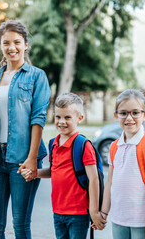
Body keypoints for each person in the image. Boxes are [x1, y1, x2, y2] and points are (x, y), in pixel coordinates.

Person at [0, 19, 51, 238]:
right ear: (1, 45)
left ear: (26, 44)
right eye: (6, 43)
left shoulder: (36, 76)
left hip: (23, 158)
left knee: (21, 225)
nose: (11, 47)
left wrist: (32, 158)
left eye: (17, 42)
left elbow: (38, 119)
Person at [21, 93, 106, 239]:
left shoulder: (83, 145)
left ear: (79, 118)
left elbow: (93, 180)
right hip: (58, 211)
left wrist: (94, 211)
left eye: (67, 117)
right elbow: (53, 171)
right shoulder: (53, 143)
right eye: (58, 117)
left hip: (78, 212)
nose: (62, 122)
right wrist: (35, 173)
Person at [100, 89, 145, 239]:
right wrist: (104, 212)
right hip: (118, 218)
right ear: (116, 115)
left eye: (135, 113)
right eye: (123, 113)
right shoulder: (114, 146)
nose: (129, 118)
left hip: (142, 221)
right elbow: (110, 182)